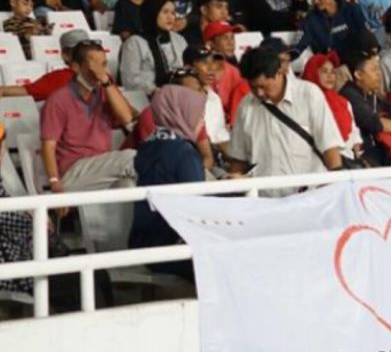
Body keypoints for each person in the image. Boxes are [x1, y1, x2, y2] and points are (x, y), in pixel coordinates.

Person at [226, 45, 345, 178]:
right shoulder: (246, 106)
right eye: (253, 87)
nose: (259, 93)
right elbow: (239, 159)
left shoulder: (309, 95)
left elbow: (329, 147)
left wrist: (337, 184)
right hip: (263, 196)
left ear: (280, 72)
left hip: (309, 194)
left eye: (264, 86)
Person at [40, 38, 139, 195]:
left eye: (104, 64)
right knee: (132, 157)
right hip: (73, 172)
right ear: (77, 67)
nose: (100, 72)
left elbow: (126, 118)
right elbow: (48, 146)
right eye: (95, 66)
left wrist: (106, 82)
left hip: (102, 169)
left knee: (128, 186)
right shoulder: (58, 99)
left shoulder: (106, 91)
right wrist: (55, 184)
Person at [128, 85, 208, 276]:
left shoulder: (148, 147)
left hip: (143, 244)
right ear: (182, 113)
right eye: (198, 114)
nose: (202, 121)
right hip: (170, 247)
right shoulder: (184, 153)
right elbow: (198, 207)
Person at [119, 0, 189, 95]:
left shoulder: (179, 40)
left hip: (179, 96)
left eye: (173, 13)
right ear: (153, 13)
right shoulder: (134, 43)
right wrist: (157, 92)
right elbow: (129, 81)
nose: (170, 17)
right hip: (146, 98)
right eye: (165, 12)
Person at [300, 52, 362, 161]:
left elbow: (353, 131)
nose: (330, 76)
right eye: (324, 71)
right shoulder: (303, 102)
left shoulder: (343, 102)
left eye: (333, 72)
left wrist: (356, 143)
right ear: (313, 72)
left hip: (346, 159)